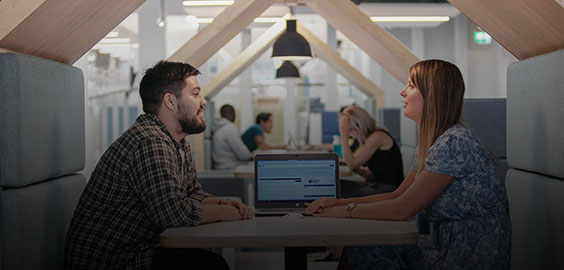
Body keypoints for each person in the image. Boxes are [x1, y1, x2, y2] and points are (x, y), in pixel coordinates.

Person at [305, 59, 511, 269]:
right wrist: (335, 203)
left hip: (468, 256)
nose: (403, 91)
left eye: (411, 85)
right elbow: (397, 195)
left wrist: (345, 211)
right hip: (447, 246)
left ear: (433, 95)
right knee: (361, 246)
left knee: (363, 249)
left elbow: (401, 210)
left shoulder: (455, 142)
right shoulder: (433, 144)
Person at [64, 61, 253, 270]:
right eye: (196, 93)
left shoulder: (177, 142)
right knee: (211, 266)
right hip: (113, 261)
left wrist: (221, 204)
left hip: (139, 249)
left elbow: (192, 193)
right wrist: (223, 214)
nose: (204, 102)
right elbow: (173, 215)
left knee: (212, 263)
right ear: (170, 101)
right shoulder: (149, 142)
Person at [338, 106, 404, 197]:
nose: (350, 134)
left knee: (340, 195)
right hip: (376, 184)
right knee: (338, 186)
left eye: (350, 130)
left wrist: (343, 134)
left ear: (359, 125)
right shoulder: (368, 138)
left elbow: (352, 164)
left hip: (388, 188)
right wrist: (358, 170)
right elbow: (368, 173)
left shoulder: (378, 136)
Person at [211, 104, 252, 170]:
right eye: (234, 113)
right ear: (230, 113)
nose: (235, 115)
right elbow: (243, 155)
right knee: (257, 167)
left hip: (220, 166)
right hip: (229, 167)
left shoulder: (218, 127)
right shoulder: (229, 128)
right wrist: (251, 156)